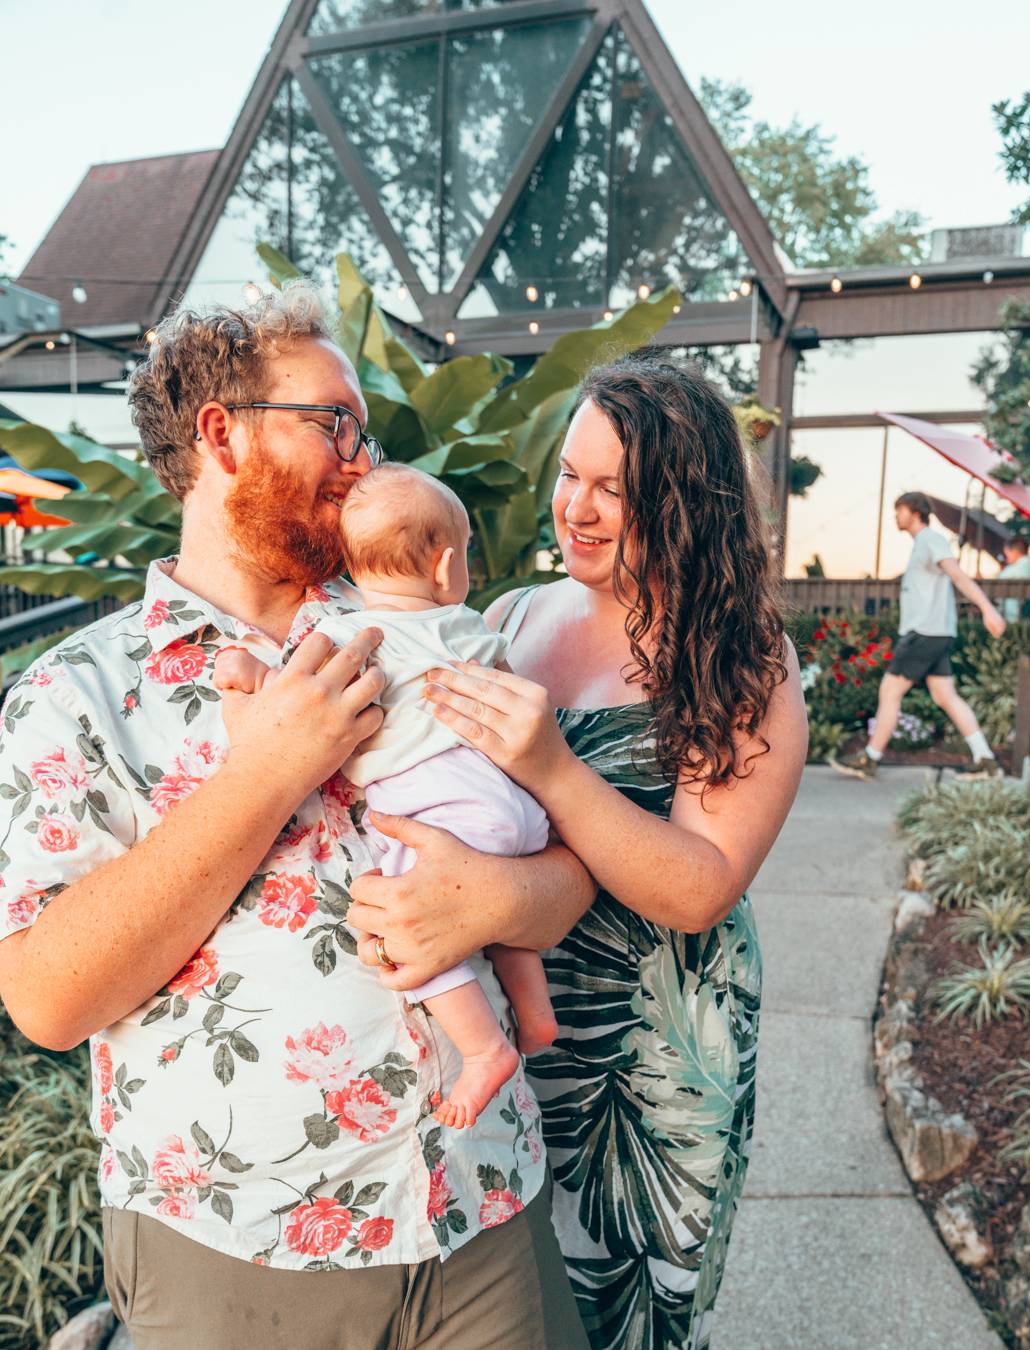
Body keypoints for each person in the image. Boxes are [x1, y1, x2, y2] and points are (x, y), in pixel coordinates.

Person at [0, 286, 590, 1349]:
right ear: (221, 433)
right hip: (242, 1255)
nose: (364, 460)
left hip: (485, 1210)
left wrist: (504, 894)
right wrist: (262, 774)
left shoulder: (432, 632)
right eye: (336, 425)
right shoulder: (75, 696)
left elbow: (571, 863)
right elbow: (47, 999)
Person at [349, 351, 807, 1349]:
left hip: (650, 1052)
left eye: (617, 489)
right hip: (509, 1025)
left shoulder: (741, 654)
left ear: (688, 502)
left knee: (626, 1314)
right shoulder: (511, 615)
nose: (578, 509)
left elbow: (702, 888)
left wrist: (555, 769)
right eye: (570, 474)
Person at [215, 461, 557, 1132]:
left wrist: (249, 671)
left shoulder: (346, 637)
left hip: (437, 813)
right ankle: (536, 1011)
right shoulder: (466, 625)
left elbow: (294, 696)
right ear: (445, 566)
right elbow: (513, 689)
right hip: (514, 808)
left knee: (410, 933)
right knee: (496, 916)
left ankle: (485, 1049)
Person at [832, 490, 1006, 780]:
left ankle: (870, 758)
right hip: (933, 632)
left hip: (925, 633)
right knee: (945, 695)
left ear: (915, 512)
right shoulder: (922, 545)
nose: (896, 516)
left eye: (899, 510)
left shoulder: (930, 541)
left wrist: (988, 609)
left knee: (889, 691)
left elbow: (958, 575)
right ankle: (985, 759)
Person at [998, 534, 1030, 622]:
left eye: (1007, 553)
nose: (1006, 557)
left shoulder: (1009, 572)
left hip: (1012, 617)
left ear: (1014, 551)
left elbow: (997, 594)